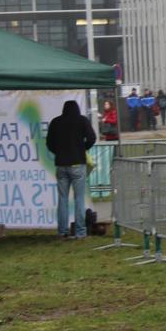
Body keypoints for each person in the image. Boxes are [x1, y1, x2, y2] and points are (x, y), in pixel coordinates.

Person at [46, 100, 96, 240]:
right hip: (77, 164)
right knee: (79, 198)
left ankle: (62, 231)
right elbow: (92, 138)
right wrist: (82, 148)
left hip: (61, 164)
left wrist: (59, 151)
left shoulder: (56, 122)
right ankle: (80, 232)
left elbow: (49, 143)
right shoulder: (82, 120)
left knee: (62, 199)